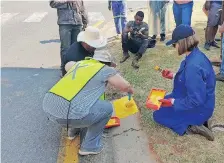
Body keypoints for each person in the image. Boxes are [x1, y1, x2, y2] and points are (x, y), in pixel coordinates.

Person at [43, 50, 134, 155]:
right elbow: (125, 86)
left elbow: (67, 66)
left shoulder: (81, 64)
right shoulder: (105, 69)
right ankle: (90, 146)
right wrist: (131, 91)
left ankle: (72, 131)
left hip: (49, 108)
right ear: (108, 64)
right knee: (107, 108)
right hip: (67, 115)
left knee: (78, 98)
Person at [153, 25, 216, 141]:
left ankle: (192, 126)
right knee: (160, 102)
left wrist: (173, 102)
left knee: (158, 114)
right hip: (197, 98)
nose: (174, 47)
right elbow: (192, 81)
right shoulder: (195, 55)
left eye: (174, 44)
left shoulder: (193, 66)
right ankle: (197, 119)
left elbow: (195, 100)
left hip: (200, 107)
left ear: (182, 43)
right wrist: (173, 76)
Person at [50, 0, 88, 76]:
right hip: (65, 23)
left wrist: (85, 21)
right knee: (65, 48)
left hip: (77, 22)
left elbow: (82, 8)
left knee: (76, 48)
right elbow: (52, 3)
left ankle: (75, 69)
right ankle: (64, 70)